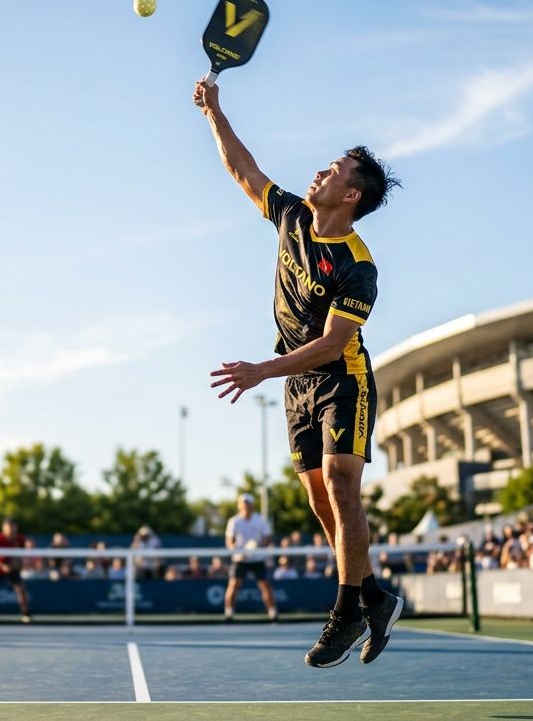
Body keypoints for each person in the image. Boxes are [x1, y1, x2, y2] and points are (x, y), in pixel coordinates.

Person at [194, 77, 403, 669]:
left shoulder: (358, 267)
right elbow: (242, 169)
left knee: (341, 487)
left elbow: (333, 343)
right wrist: (214, 111)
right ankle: (375, 598)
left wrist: (262, 368)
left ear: (352, 196)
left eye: (334, 171)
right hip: (296, 383)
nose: (320, 173)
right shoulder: (289, 215)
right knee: (319, 505)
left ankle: (344, 617)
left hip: (342, 379)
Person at [224, 493, 279, 623]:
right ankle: (229, 612)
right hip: (240, 560)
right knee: (233, 584)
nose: (246, 506)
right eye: (243, 503)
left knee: (265, 585)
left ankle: (272, 612)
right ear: (239, 505)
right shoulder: (234, 521)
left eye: (248, 503)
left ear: (252, 505)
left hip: (257, 559)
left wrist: (257, 547)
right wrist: (237, 552)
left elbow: (268, 538)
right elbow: (229, 541)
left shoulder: (260, 519)